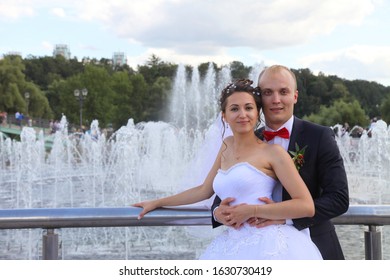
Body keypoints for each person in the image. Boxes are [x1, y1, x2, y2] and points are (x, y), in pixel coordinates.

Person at [134, 79, 322, 260]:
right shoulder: (226, 145)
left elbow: (306, 206)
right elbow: (203, 190)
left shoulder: (273, 152)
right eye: (234, 109)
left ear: (257, 113)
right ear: (224, 115)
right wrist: (157, 202)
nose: (243, 114)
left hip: (268, 244)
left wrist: (253, 211)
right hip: (231, 242)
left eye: (249, 108)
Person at [212, 65, 349, 260]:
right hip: (255, 250)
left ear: (295, 96)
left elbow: (338, 198)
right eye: (268, 92)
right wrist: (217, 211)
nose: (276, 100)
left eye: (283, 92)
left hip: (314, 243)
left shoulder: (319, 136)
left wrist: (285, 217)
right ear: (260, 99)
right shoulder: (248, 138)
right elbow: (227, 189)